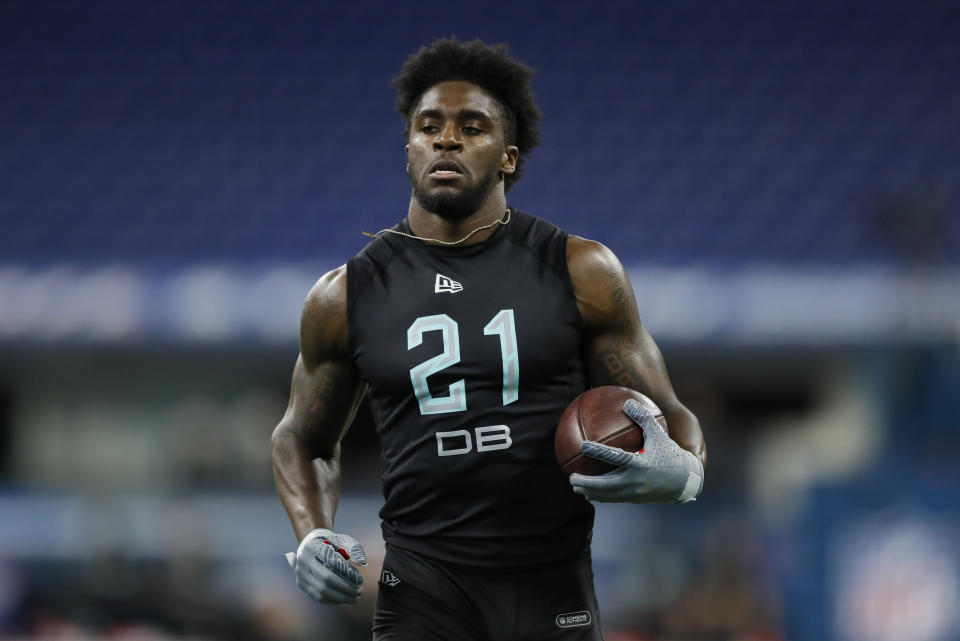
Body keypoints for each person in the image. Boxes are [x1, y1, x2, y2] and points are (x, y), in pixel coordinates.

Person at [272, 37, 707, 641]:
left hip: (550, 581)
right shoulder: (345, 294)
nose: (445, 139)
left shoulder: (581, 270)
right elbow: (302, 438)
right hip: (423, 588)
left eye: (471, 126)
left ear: (508, 155)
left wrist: (684, 473)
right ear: (409, 148)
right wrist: (312, 531)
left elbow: (672, 416)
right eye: (429, 126)